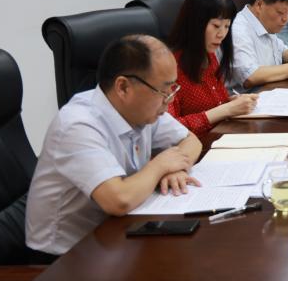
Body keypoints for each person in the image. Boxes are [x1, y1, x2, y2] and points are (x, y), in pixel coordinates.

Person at [25, 35, 203, 256]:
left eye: (172, 90)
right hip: (64, 258)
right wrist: (160, 166)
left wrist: (176, 168)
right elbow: (118, 200)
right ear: (123, 87)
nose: (170, 100)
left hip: (116, 236)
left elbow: (191, 141)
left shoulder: (143, 110)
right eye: (163, 91)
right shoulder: (77, 124)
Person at [166, 0, 259, 135]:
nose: (222, 34)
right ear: (195, 23)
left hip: (221, 135)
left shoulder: (209, 54)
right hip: (195, 145)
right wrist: (226, 109)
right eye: (216, 26)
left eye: (227, 26)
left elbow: (213, 105)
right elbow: (169, 130)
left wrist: (233, 103)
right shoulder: (169, 67)